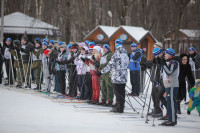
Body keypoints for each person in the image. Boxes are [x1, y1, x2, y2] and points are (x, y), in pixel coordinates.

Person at [101, 39, 129, 113]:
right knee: (122, 92)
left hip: (117, 76)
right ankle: (121, 106)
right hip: (124, 76)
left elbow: (110, 65)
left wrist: (102, 71)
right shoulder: (126, 54)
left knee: (117, 93)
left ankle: (119, 108)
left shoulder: (116, 54)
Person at [160, 48, 179, 126]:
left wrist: (164, 64)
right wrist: (161, 63)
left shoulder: (174, 62)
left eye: (166, 54)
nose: (165, 55)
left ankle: (172, 120)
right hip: (168, 85)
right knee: (169, 102)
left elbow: (169, 72)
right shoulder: (169, 62)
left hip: (172, 85)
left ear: (171, 55)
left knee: (171, 103)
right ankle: (170, 118)